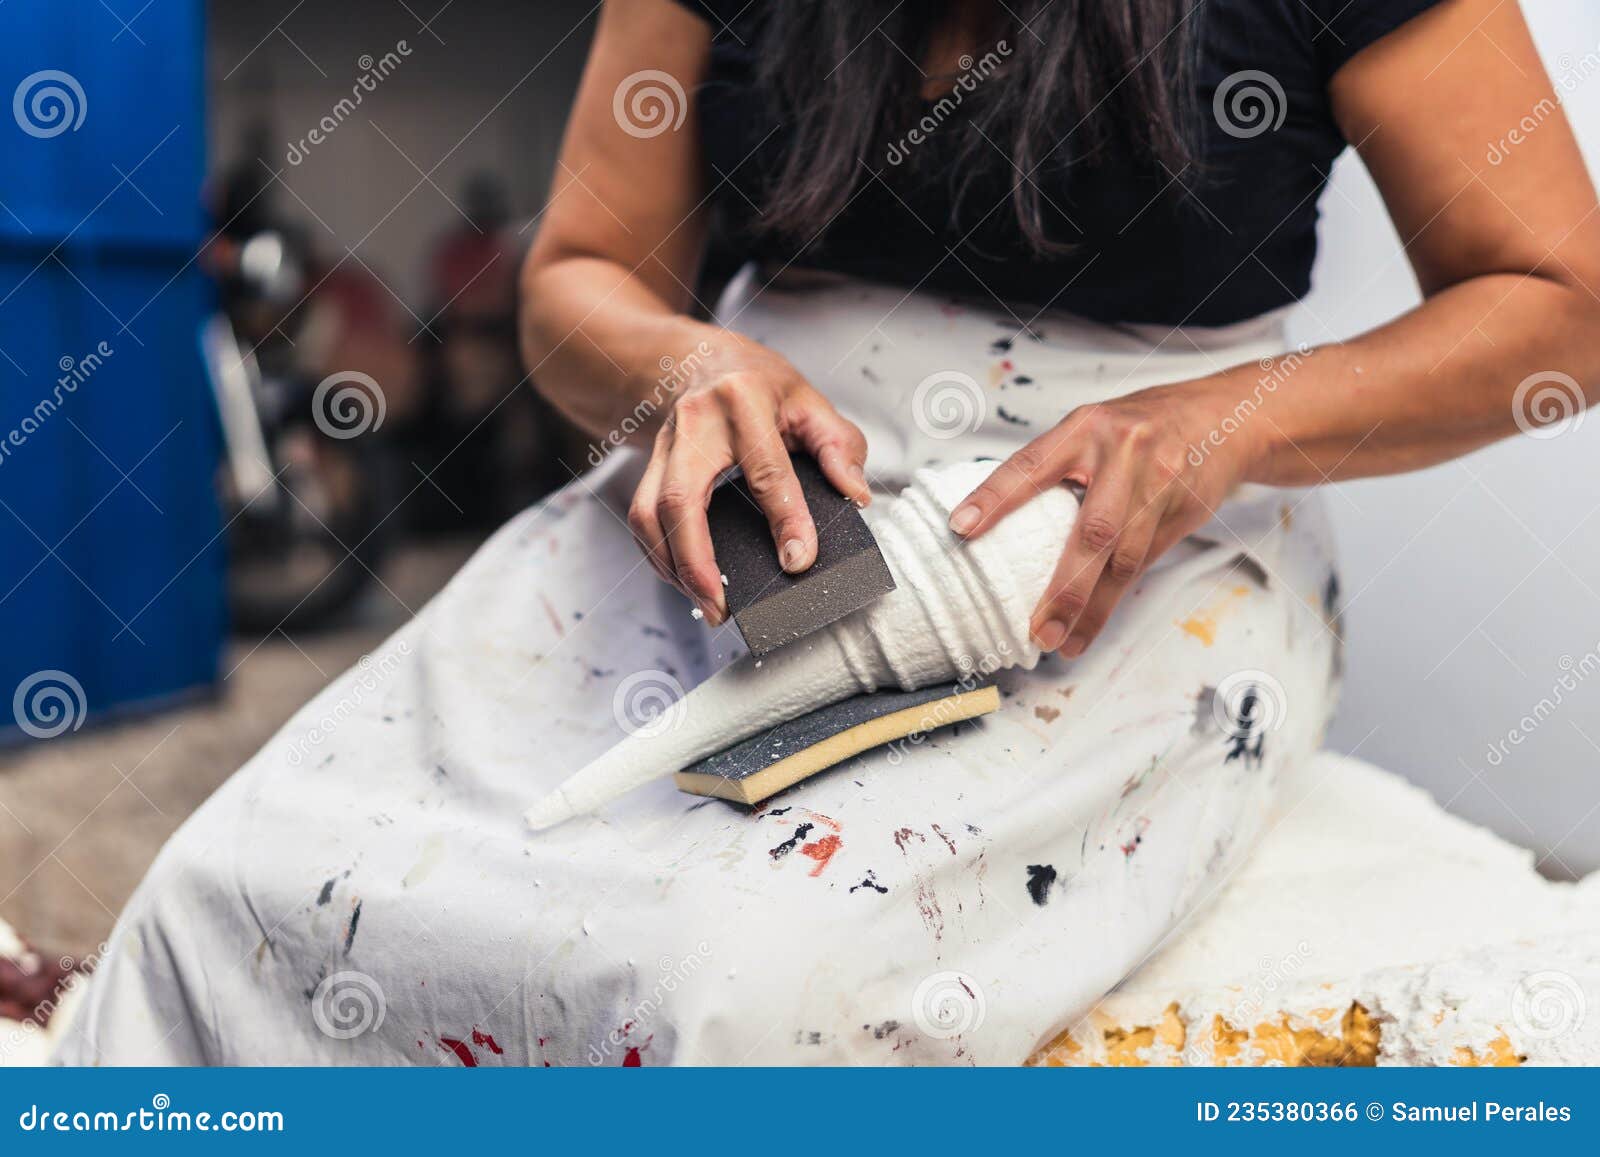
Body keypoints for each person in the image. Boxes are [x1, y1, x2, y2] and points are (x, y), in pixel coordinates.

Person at [59, 0, 1599, 1065]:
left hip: (1131, 523)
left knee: (715, 988)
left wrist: (1220, 426)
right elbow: (585, 265)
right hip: (752, 464)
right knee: (240, 880)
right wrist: (686, 367)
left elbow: (1562, 305)